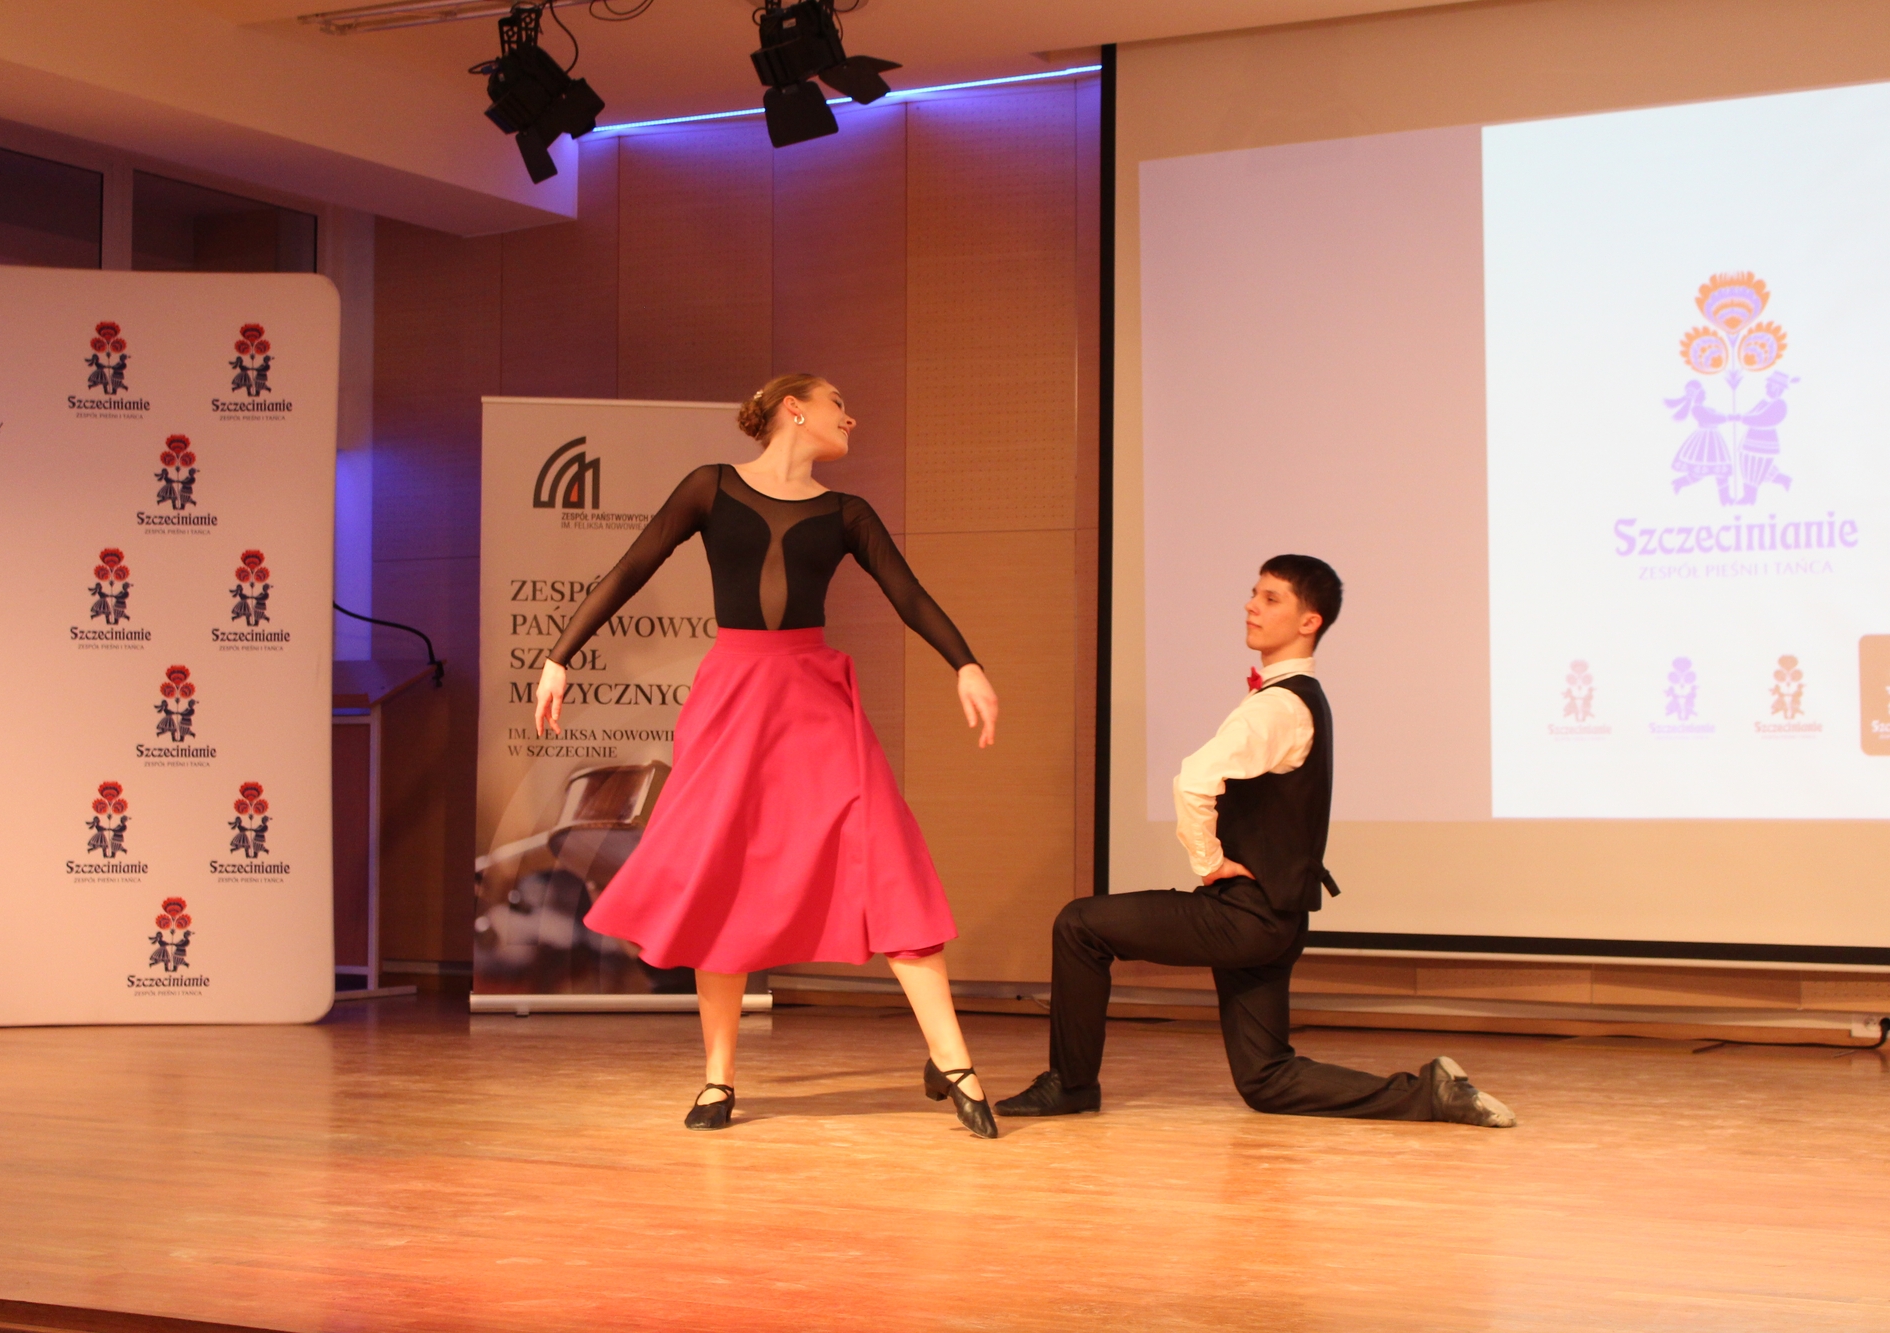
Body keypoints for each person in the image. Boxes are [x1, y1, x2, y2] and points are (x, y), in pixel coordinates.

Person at [533, 373, 1004, 1137]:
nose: (850, 417)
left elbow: (909, 595)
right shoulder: (711, 487)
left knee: (888, 854)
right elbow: (630, 568)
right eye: (836, 403)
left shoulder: (847, 512)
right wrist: (560, 655)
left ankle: (952, 1059)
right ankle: (718, 1077)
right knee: (721, 873)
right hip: (732, 699)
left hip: (817, 700)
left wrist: (967, 663)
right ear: (794, 408)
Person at [997, 555, 1516, 1128]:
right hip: (1277, 920)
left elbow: (1193, 780)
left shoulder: (1278, 706)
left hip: (1243, 918)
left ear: (1309, 622)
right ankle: (1432, 1094)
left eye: (1271, 598)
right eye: (1254, 593)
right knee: (1266, 1079)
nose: (1251, 605)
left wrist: (1209, 862)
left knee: (1079, 924)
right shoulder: (1298, 698)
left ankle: (1071, 1085)